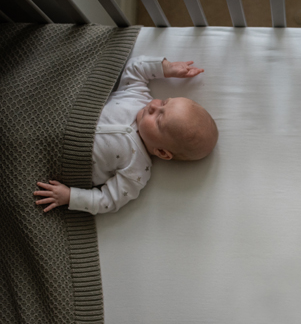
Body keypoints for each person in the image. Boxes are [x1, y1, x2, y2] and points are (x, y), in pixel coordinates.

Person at [34, 56, 218, 214]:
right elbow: (134, 67)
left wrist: (70, 196)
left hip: (51, 156)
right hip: (53, 114)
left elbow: (108, 200)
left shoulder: (137, 170)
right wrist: (166, 67)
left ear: (162, 152)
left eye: (159, 118)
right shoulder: (137, 96)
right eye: (164, 101)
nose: (154, 105)